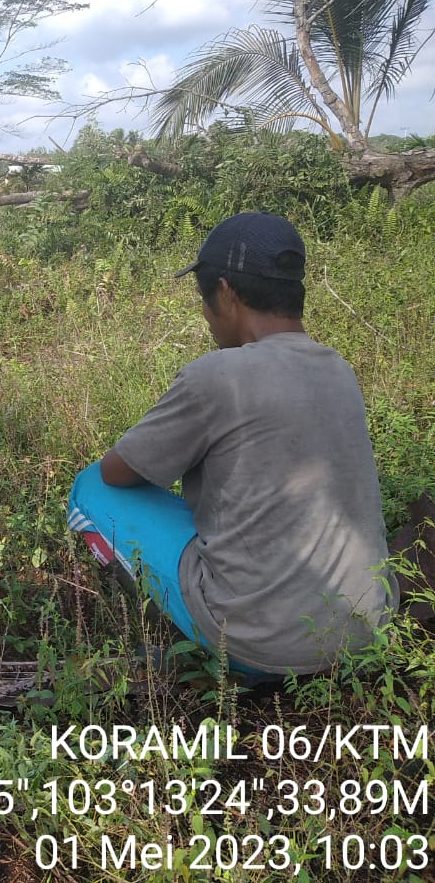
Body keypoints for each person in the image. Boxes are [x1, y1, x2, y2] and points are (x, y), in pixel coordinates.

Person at [68, 211, 396, 677]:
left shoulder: (218, 375)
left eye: (204, 299)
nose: (205, 315)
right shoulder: (339, 369)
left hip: (261, 648)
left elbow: (117, 473)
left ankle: (190, 643)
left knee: (90, 489)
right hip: (366, 634)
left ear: (225, 293)